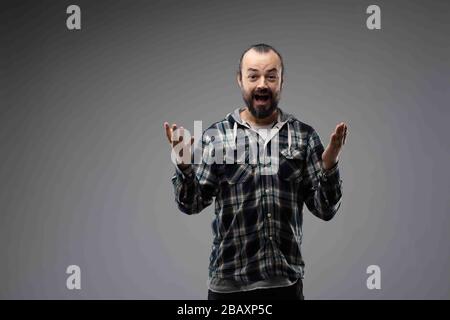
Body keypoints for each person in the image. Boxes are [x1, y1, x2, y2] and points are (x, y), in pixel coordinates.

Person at [164, 44, 348, 300]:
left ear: (281, 81)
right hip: (228, 288)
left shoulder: (303, 136)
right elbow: (191, 204)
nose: (262, 84)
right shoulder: (217, 136)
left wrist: (330, 164)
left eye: (271, 76)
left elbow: (325, 210)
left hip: (285, 287)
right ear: (240, 80)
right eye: (253, 76)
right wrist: (184, 164)